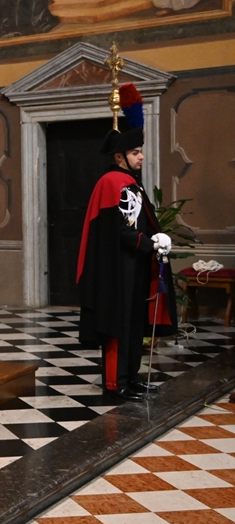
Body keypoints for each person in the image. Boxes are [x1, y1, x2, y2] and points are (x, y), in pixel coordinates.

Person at [77, 92, 177, 401]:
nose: (141, 157)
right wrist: (149, 243)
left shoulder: (130, 182)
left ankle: (131, 378)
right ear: (120, 156)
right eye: (135, 152)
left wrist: (154, 241)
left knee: (135, 325)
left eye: (140, 151)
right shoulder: (111, 182)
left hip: (132, 266)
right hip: (114, 270)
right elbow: (118, 230)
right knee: (116, 328)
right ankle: (115, 383)